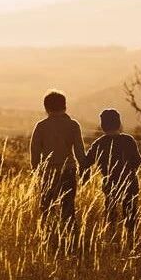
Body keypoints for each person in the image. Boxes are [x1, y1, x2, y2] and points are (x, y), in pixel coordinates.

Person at [30, 90, 87, 233]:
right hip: (68, 172)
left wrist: (36, 172)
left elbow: (35, 153)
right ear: (65, 106)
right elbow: (80, 151)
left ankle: (49, 239)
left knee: (47, 210)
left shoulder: (41, 126)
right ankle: (71, 242)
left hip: (48, 173)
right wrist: (85, 170)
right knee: (68, 209)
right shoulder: (73, 125)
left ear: (46, 108)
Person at [82, 109, 141, 237]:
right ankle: (131, 239)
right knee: (131, 213)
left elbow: (86, 162)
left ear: (103, 126)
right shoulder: (128, 140)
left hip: (110, 183)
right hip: (130, 182)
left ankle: (112, 237)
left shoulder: (99, 143)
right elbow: (137, 160)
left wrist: (86, 176)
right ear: (119, 124)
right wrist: (129, 171)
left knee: (111, 212)